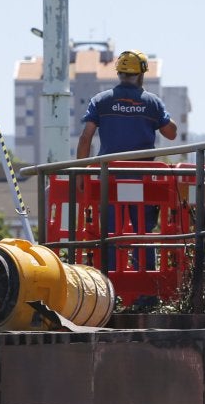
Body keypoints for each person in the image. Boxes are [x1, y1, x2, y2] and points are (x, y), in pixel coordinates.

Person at [75, 49, 179, 270]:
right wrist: (161, 115)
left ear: (119, 73)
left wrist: (81, 173)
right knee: (143, 232)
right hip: (142, 180)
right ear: (141, 74)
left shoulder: (101, 100)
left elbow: (85, 138)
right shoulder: (152, 103)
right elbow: (171, 133)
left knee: (111, 232)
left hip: (109, 178)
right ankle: (147, 281)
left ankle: (111, 280)